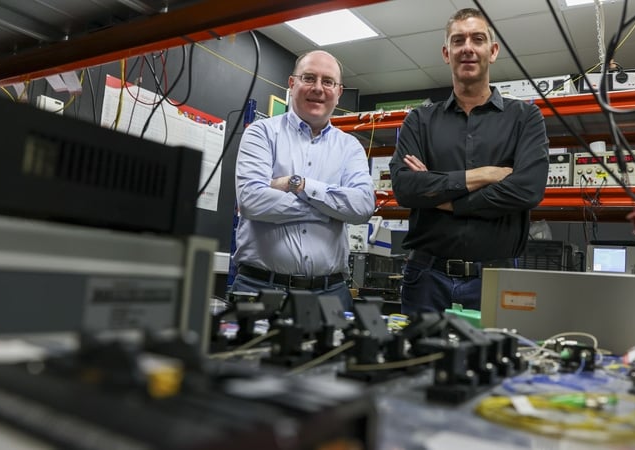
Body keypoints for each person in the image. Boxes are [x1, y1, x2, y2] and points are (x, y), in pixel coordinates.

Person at [389, 8, 549, 316]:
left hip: (497, 278)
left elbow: (527, 190)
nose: (467, 47)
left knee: (495, 364)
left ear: (493, 50)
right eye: (458, 40)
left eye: (477, 38)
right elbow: (407, 188)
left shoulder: (525, 118)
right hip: (425, 278)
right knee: (420, 363)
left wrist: (444, 197)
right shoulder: (419, 120)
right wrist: (486, 174)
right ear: (446, 53)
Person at [231, 50, 375, 311]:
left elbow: (363, 207)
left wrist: (297, 184)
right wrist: (329, 211)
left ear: (339, 91)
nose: (318, 88)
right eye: (309, 78)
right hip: (260, 289)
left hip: (330, 294)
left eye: (328, 81)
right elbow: (251, 200)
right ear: (292, 83)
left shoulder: (350, 147)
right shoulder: (261, 134)